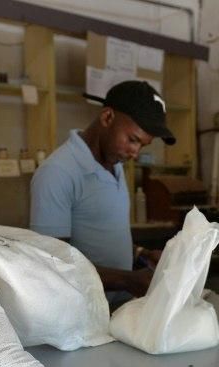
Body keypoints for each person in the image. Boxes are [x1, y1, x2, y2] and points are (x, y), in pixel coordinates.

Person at [30, 80, 172, 307]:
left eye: (142, 145)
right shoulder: (57, 173)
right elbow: (51, 263)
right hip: (81, 316)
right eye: (133, 139)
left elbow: (97, 235)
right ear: (107, 117)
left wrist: (141, 254)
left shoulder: (115, 163)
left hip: (118, 309)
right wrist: (128, 280)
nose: (135, 152)